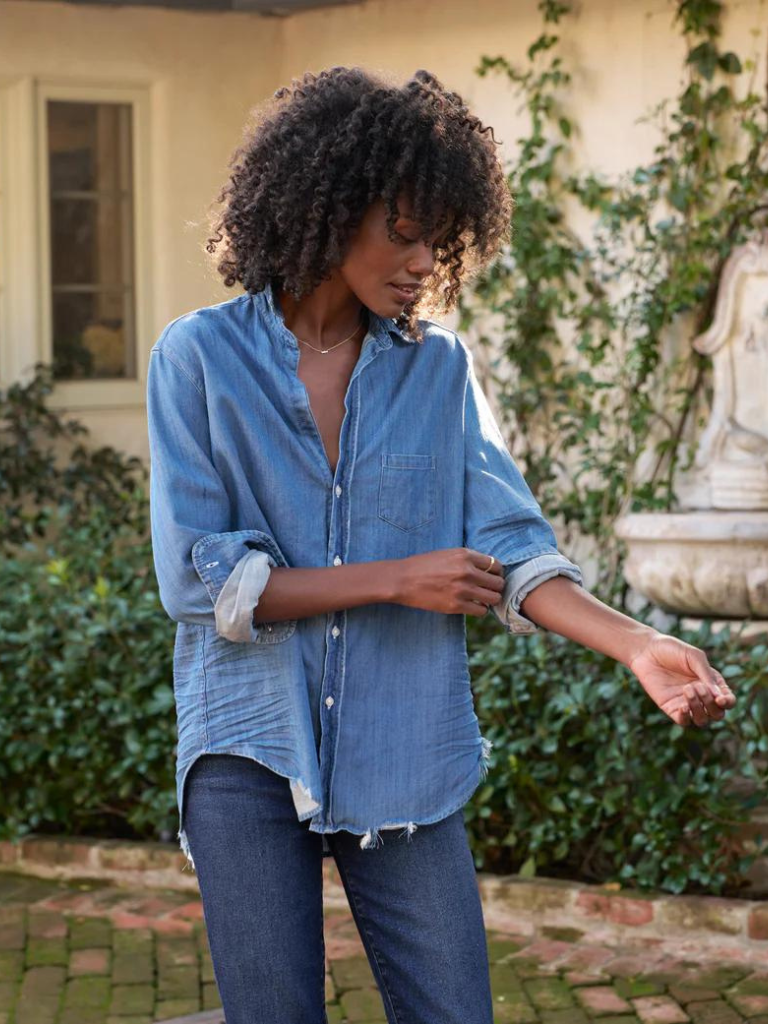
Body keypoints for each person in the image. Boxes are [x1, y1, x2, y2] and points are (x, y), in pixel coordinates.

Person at [145, 66, 737, 1024]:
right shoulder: (198, 359)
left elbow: (511, 547)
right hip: (251, 749)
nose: (423, 262)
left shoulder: (441, 369)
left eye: (441, 240)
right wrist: (396, 578)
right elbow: (197, 578)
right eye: (403, 232)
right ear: (325, 209)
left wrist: (636, 644)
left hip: (405, 751)